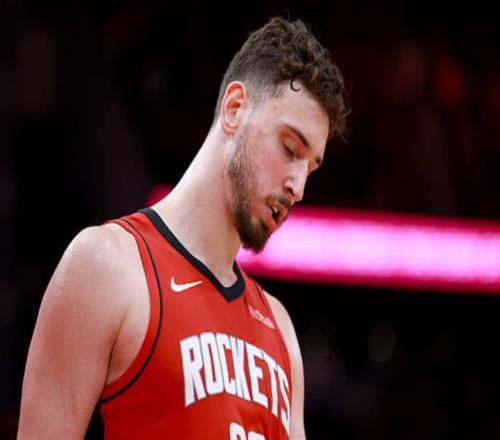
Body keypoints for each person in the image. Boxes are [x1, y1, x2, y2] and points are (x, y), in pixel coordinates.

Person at [18, 16, 347, 439]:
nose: (298, 187)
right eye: (289, 148)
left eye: (310, 168)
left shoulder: (280, 330)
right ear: (234, 109)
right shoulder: (106, 267)